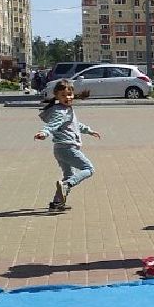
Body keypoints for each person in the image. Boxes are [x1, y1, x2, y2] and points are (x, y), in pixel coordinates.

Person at [34, 79, 101, 211]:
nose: (67, 98)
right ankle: (67, 185)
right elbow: (52, 124)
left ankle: (57, 203)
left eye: (69, 95)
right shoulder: (61, 112)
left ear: (73, 94)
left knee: (68, 175)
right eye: (63, 95)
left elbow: (75, 125)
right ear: (57, 96)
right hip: (67, 148)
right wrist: (44, 133)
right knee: (89, 169)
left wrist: (89, 131)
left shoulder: (66, 109)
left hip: (60, 150)